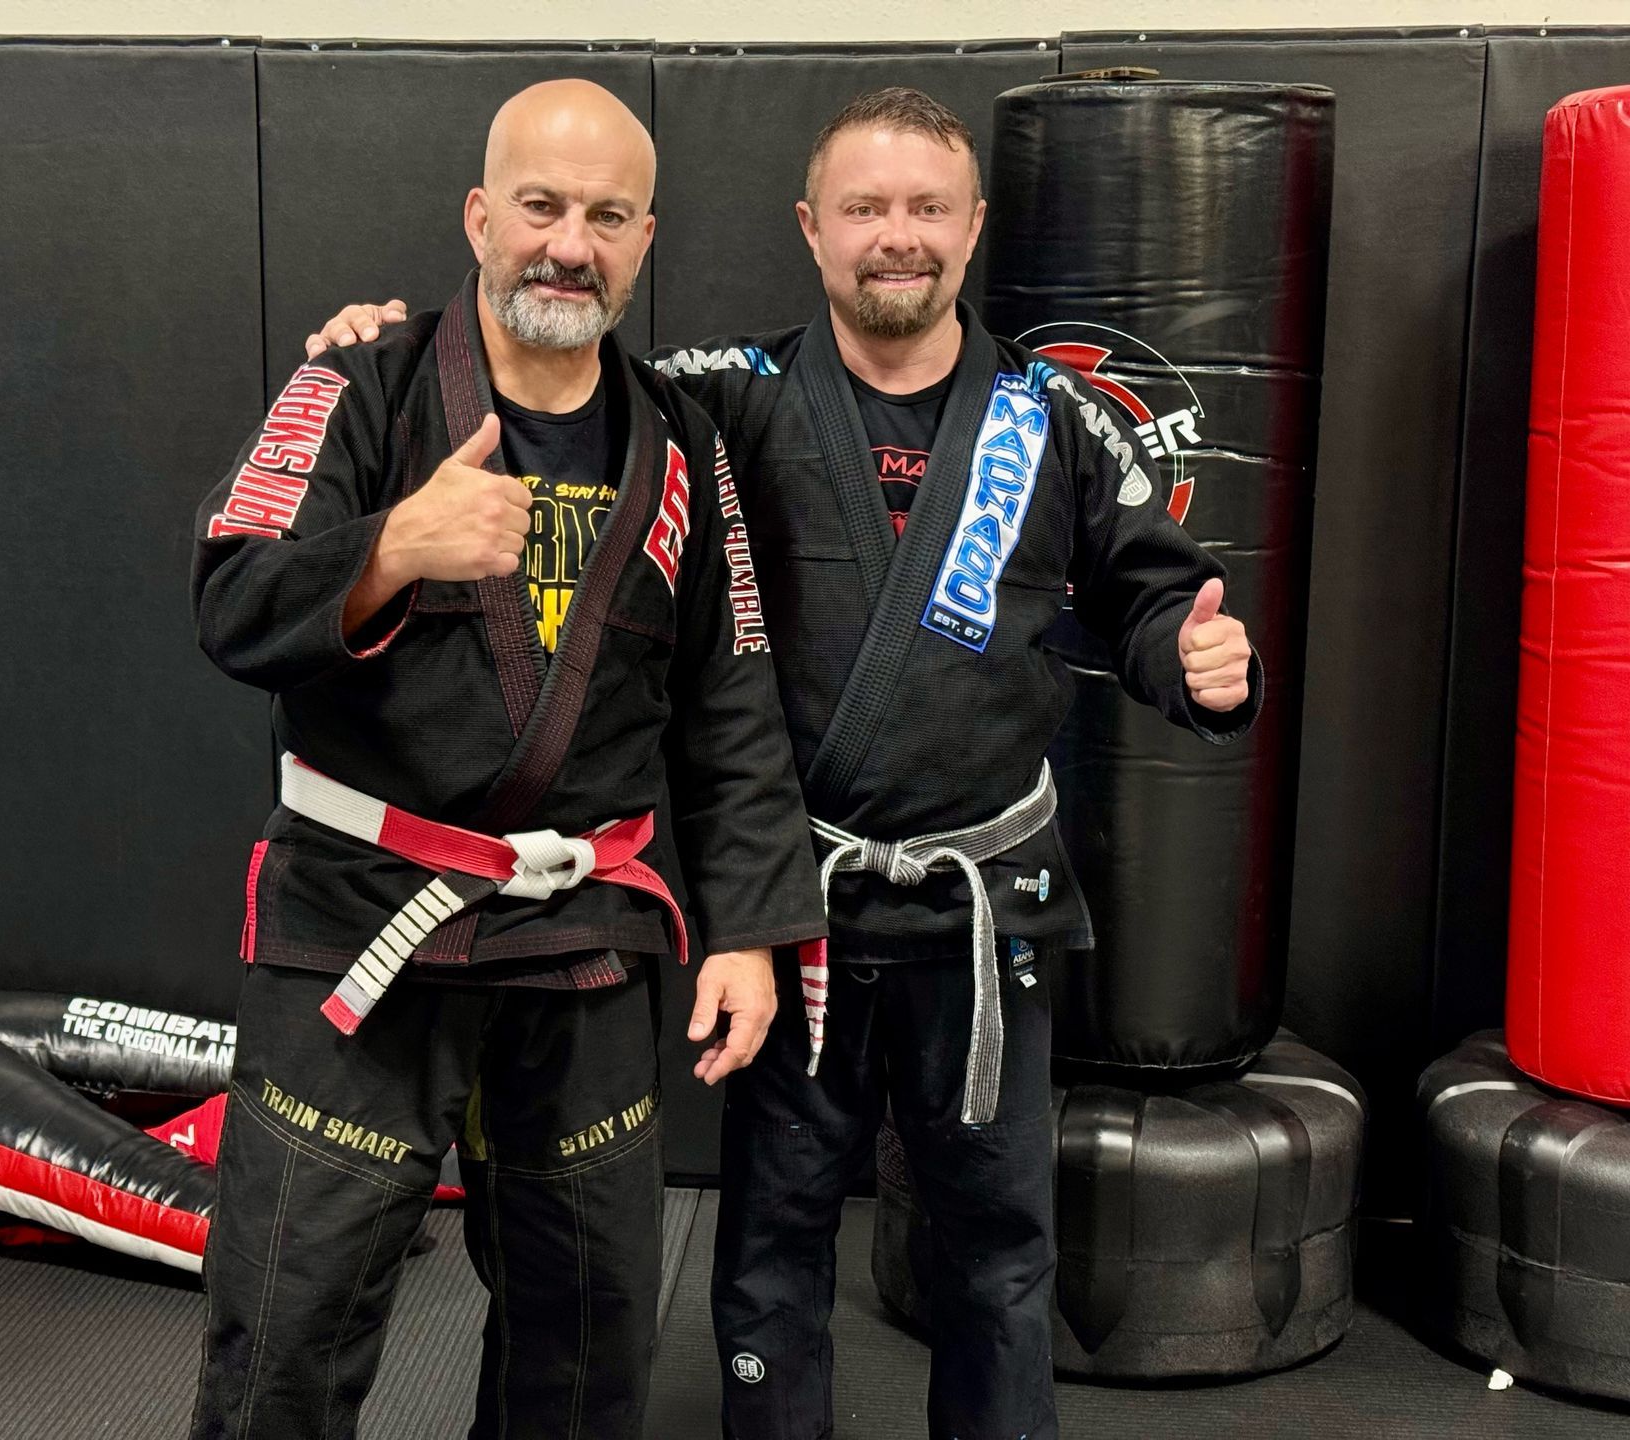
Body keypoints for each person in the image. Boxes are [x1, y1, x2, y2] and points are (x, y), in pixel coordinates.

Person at [311, 86, 1258, 1440]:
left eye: (927, 207)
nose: (898, 237)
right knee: (772, 1244)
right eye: (865, 209)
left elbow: (1155, 596)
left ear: (973, 226)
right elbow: (546, 359)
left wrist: (1196, 662)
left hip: (985, 911)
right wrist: (385, 347)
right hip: (797, 912)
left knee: (998, 1249)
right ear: (810, 231)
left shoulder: (1050, 418)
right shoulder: (720, 403)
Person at [193, 79, 825, 1440]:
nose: (569, 244)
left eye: (606, 217)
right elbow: (230, 598)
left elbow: (732, 702)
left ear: (644, 239)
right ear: (481, 217)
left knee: (590, 1344)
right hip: (360, 929)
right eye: (541, 206)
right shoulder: (359, 381)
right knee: (287, 1331)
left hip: (580, 936)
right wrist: (394, 548)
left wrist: (752, 930)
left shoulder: (684, 448)